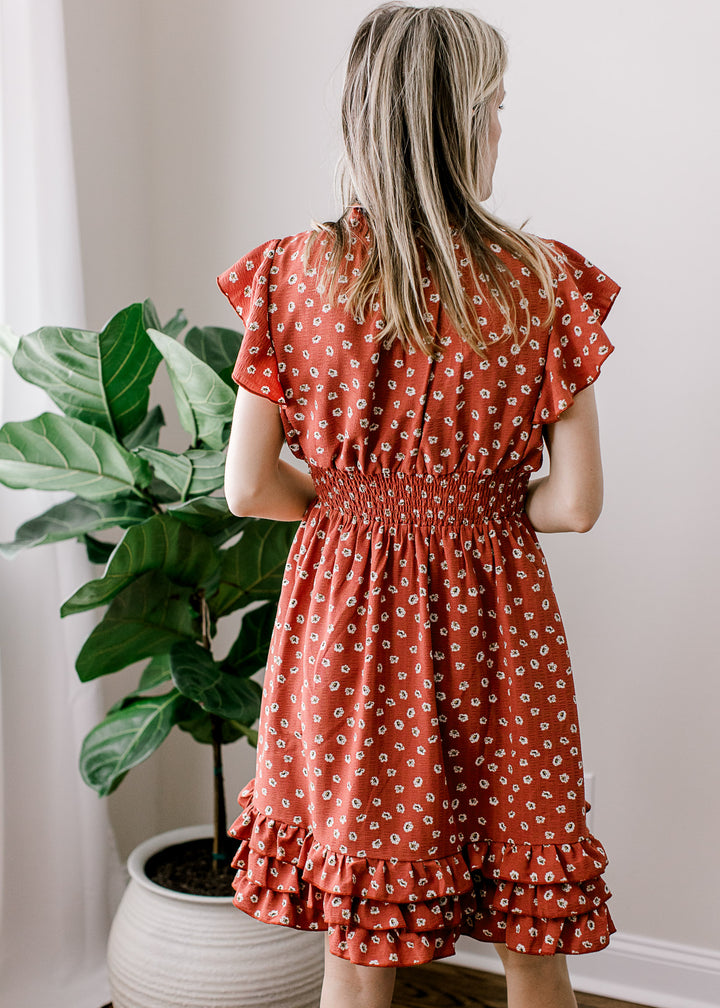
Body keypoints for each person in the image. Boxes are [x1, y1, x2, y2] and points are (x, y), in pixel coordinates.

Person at [217, 5, 620, 1007]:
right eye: (498, 109)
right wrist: (467, 502)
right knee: (529, 910)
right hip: (499, 621)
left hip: (342, 618)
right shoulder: (543, 281)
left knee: (358, 925)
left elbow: (250, 486)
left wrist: (363, 503)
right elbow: (574, 506)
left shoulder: (289, 273)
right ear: (471, 123)